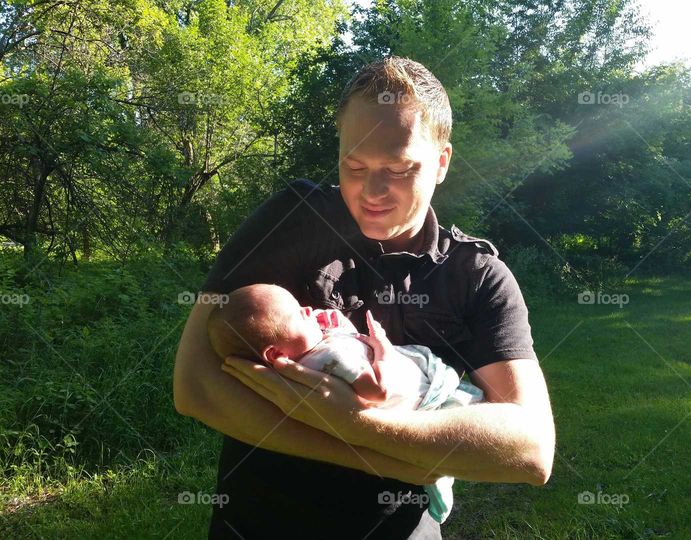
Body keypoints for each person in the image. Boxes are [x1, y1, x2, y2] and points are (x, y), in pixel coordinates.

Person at [173, 56, 555, 539]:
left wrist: (356, 424)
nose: (372, 190)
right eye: (354, 165)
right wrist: (379, 450)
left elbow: (531, 450)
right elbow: (195, 387)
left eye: (398, 168)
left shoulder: (475, 275)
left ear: (441, 162)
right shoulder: (294, 220)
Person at [207, 283, 485, 523]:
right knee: (472, 412)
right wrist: (383, 346)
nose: (307, 310)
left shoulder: (307, 362)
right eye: (297, 314)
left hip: (417, 388)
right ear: (275, 352)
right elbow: (378, 391)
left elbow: (349, 353)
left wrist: (337, 326)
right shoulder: (330, 359)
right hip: (426, 395)